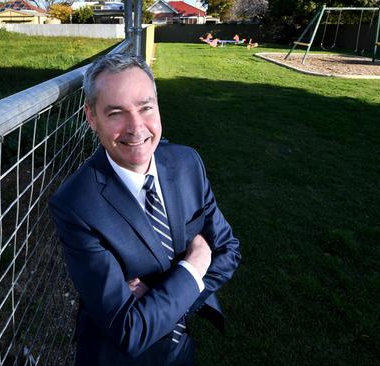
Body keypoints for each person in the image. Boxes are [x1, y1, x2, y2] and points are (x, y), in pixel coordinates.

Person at [49, 53, 242, 366]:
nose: (136, 127)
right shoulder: (76, 205)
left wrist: (162, 300)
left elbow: (229, 251)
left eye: (145, 107)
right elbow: (130, 330)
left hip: (181, 351)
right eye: (116, 113)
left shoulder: (187, 163)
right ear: (91, 117)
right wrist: (196, 262)